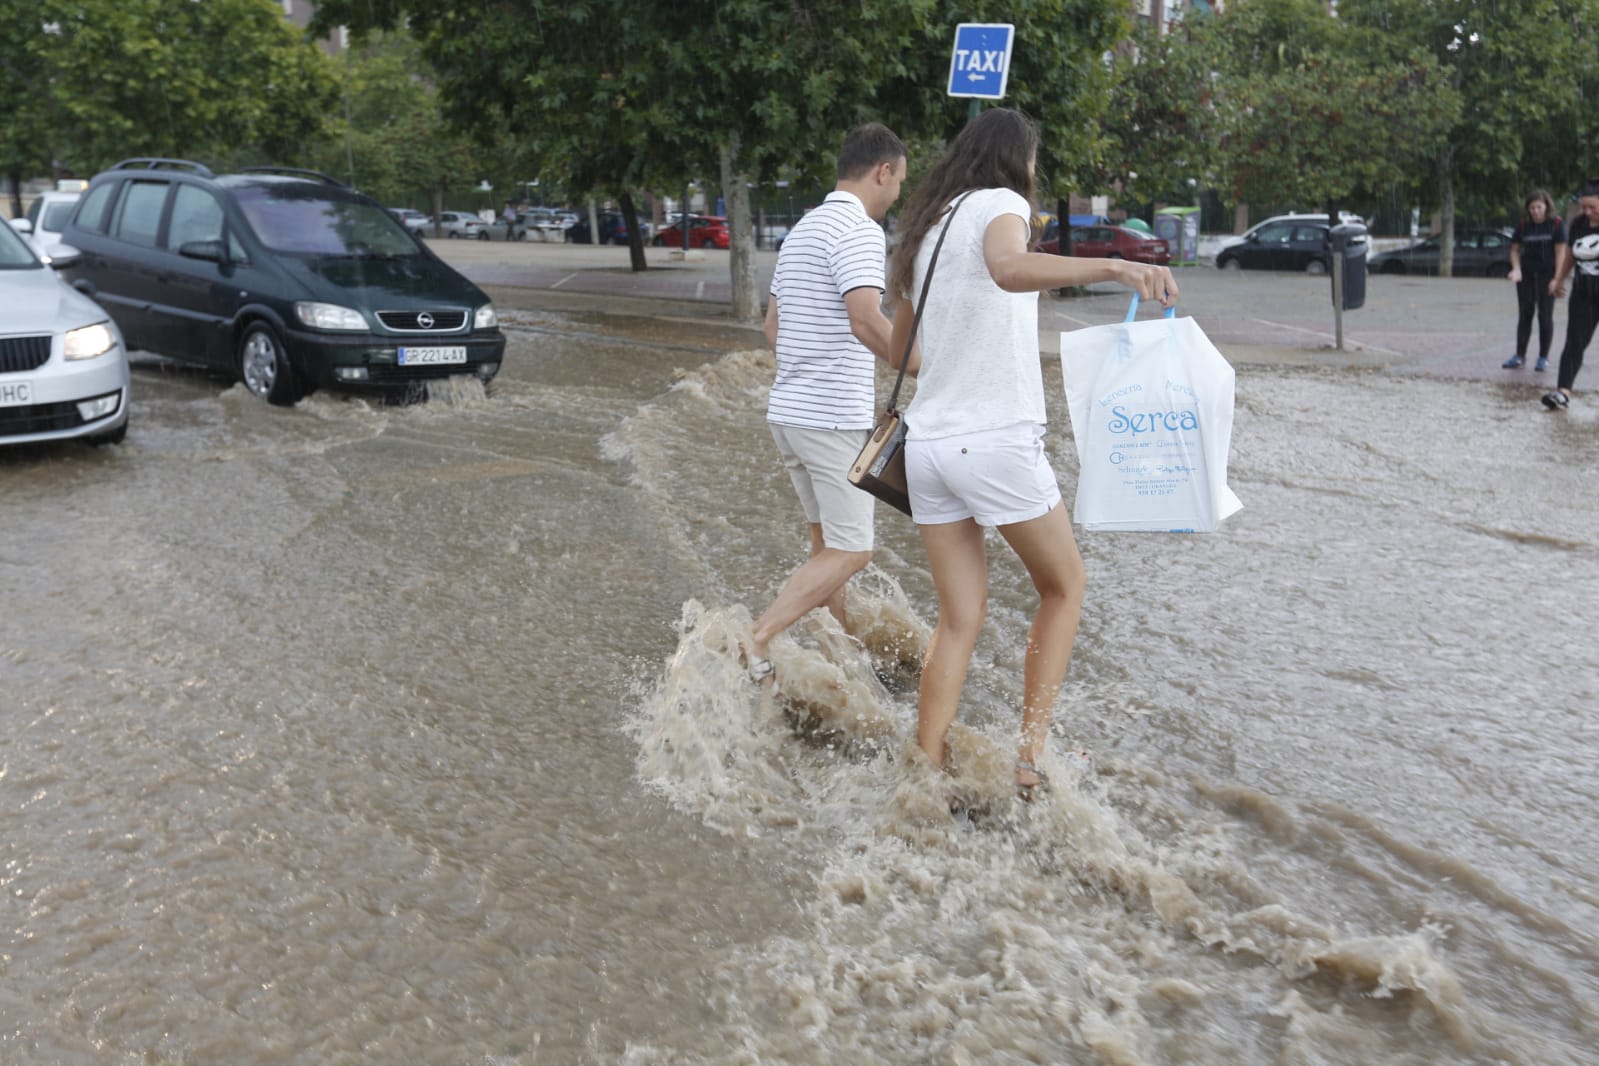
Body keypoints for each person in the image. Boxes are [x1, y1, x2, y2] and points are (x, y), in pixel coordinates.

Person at [885, 108, 1176, 796]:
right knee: (1064, 585)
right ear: (1017, 160)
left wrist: (954, 365)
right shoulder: (1000, 204)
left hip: (928, 444)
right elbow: (1007, 267)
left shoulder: (927, 228)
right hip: (993, 441)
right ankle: (1030, 755)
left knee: (958, 618)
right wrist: (1115, 264)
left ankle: (924, 766)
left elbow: (900, 350)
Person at [746, 123, 910, 682]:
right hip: (830, 418)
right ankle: (758, 638)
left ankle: (844, 663)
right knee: (855, 550)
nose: (896, 197)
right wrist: (920, 364)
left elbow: (773, 327)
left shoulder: (804, 229)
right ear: (883, 171)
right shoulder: (860, 231)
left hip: (789, 413)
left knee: (827, 547)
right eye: (898, 184)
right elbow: (866, 320)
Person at [1545, 180, 1599, 409]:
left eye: (1592, 207)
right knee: (1574, 342)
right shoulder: (1579, 223)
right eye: (1583, 207)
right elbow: (1569, 255)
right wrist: (1558, 280)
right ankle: (1562, 392)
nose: (1587, 212)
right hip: (1584, 293)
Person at [1504, 190, 1566, 371]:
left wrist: (1557, 278)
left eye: (1539, 207)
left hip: (1548, 275)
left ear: (1546, 206)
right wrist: (1516, 269)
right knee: (1525, 314)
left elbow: (1561, 252)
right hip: (1527, 275)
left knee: (1545, 315)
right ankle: (1519, 355)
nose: (1535, 211)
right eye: (1532, 208)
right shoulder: (1524, 225)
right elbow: (1514, 250)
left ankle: (1543, 358)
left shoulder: (1556, 224)